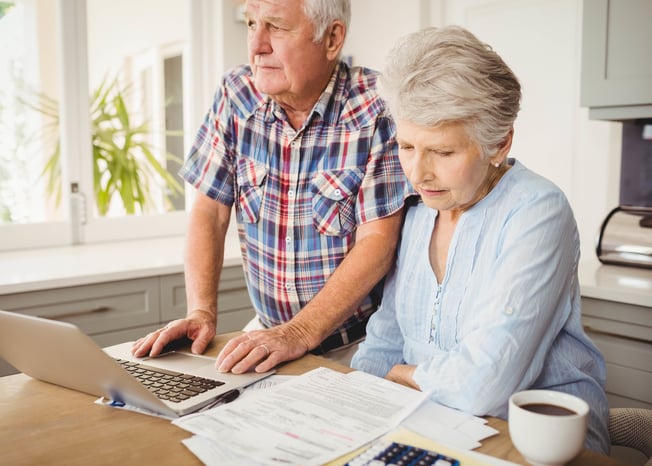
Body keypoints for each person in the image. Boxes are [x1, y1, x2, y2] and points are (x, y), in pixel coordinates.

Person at [350, 26, 610, 454]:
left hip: (535, 442)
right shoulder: (420, 211)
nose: (417, 173)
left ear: (498, 142)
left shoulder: (538, 211)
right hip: (432, 424)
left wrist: (406, 375)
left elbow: (485, 383)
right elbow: (386, 338)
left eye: (443, 152)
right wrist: (359, 394)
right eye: (407, 146)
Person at [132, 0, 410, 373]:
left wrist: (300, 331)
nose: (257, 45)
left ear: (331, 38)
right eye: (250, 24)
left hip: (355, 345)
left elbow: (378, 241)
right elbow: (209, 211)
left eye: (276, 28)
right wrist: (201, 312)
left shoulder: (378, 106)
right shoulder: (236, 93)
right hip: (268, 335)